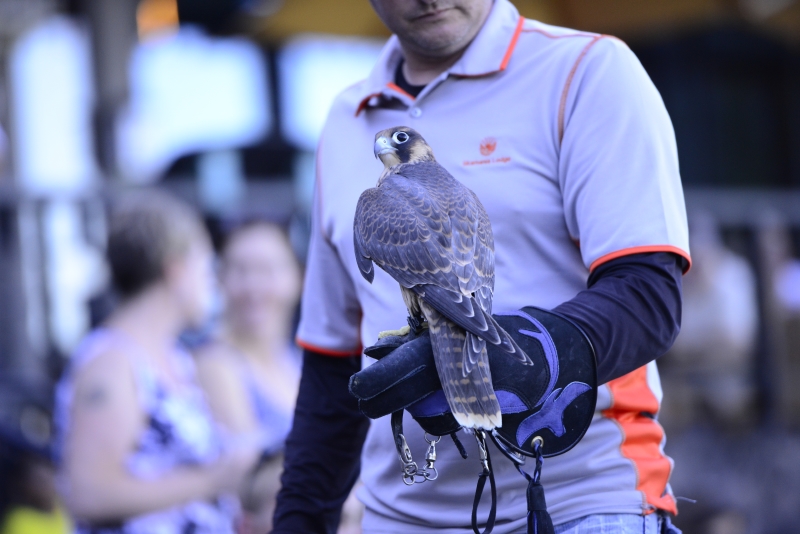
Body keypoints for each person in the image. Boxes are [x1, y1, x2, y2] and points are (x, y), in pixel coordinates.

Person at [274, 0, 690, 533]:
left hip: (577, 502)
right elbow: (334, 371)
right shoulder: (344, 119)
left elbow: (647, 298)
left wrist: (527, 355)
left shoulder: (587, 72)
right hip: (397, 518)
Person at [54, 189, 258, 533]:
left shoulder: (176, 360)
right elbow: (89, 492)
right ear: (175, 269)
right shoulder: (112, 363)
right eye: (206, 267)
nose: (213, 284)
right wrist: (212, 480)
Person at [194, 219, 304, 533]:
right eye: (240, 271)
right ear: (220, 280)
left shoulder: (295, 361)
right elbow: (250, 475)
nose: (254, 287)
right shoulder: (216, 362)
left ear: (297, 278)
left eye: (267, 270)